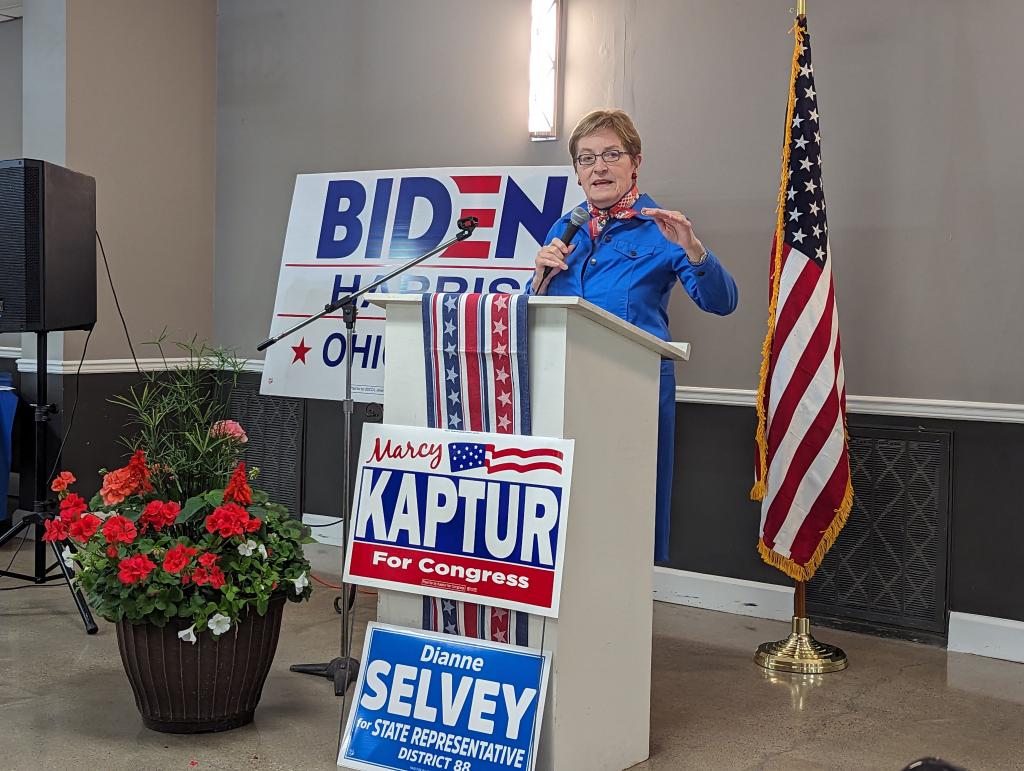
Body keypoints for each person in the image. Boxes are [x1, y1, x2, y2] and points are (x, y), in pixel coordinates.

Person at [527, 108, 738, 562]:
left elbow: (722, 302)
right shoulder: (567, 227)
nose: (598, 167)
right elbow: (541, 311)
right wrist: (538, 278)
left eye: (610, 154)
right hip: (564, 391)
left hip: (631, 393)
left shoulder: (663, 228)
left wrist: (693, 249)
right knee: (563, 518)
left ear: (635, 162)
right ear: (578, 174)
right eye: (586, 159)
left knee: (626, 515)